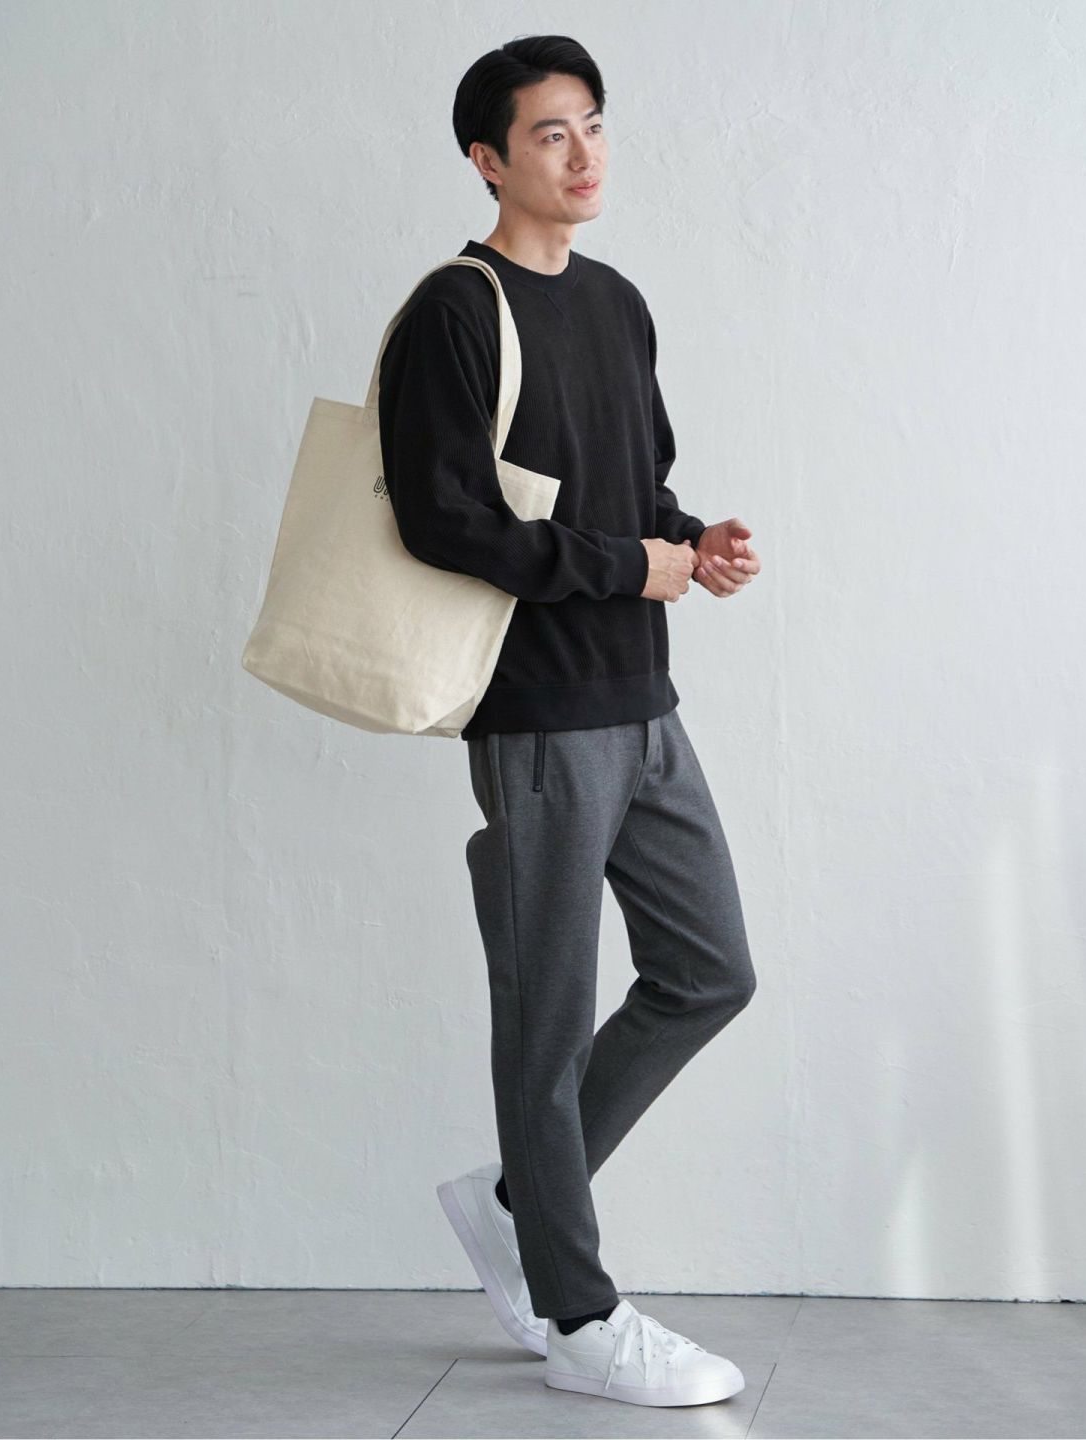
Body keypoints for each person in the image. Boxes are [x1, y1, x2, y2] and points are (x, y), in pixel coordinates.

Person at [377, 34, 762, 1410]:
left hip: (643, 699)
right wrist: (625, 565)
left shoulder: (616, 304)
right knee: (545, 1020)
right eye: (551, 133)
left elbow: (631, 489)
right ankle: (580, 1314)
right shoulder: (455, 311)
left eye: (593, 124)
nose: (585, 153)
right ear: (489, 161)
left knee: (709, 970)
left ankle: (518, 1202)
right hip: (538, 713)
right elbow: (444, 522)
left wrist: (688, 542)